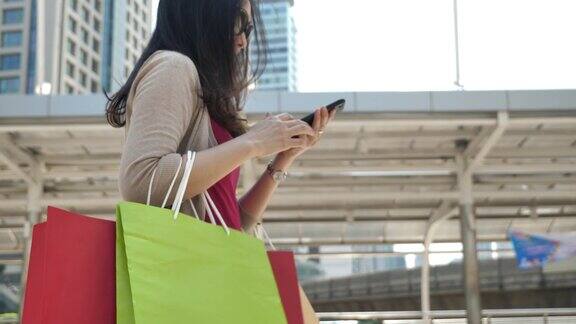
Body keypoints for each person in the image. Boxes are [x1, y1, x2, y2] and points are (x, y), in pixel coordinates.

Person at [105, 0, 336, 233]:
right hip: (187, 265)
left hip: (208, 261)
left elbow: (231, 222)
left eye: (248, 29)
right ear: (201, 11)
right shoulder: (173, 67)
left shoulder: (205, 91)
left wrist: (282, 160)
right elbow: (141, 182)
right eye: (238, 22)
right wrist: (253, 142)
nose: (243, 41)